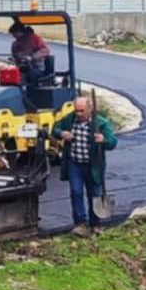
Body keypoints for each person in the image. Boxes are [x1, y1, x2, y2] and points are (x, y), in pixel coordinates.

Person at [54, 96, 117, 236]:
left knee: (94, 193)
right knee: (76, 192)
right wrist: (61, 133)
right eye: (76, 111)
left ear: (89, 109)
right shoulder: (70, 119)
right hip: (74, 163)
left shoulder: (100, 123)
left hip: (93, 165)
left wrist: (104, 140)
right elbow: (55, 128)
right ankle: (80, 224)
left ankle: (95, 224)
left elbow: (113, 142)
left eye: (81, 111)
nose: (78, 114)